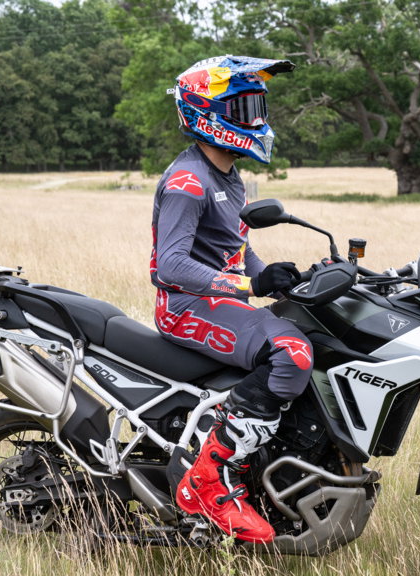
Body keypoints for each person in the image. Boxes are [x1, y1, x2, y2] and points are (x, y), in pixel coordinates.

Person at [151, 55, 311, 543]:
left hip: (215, 301)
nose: (255, 120)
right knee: (293, 353)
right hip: (184, 308)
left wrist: (277, 277)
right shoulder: (187, 181)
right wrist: (249, 287)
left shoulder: (226, 174)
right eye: (242, 109)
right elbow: (169, 267)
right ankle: (206, 481)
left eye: (257, 107)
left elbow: (232, 250)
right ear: (206, 112)